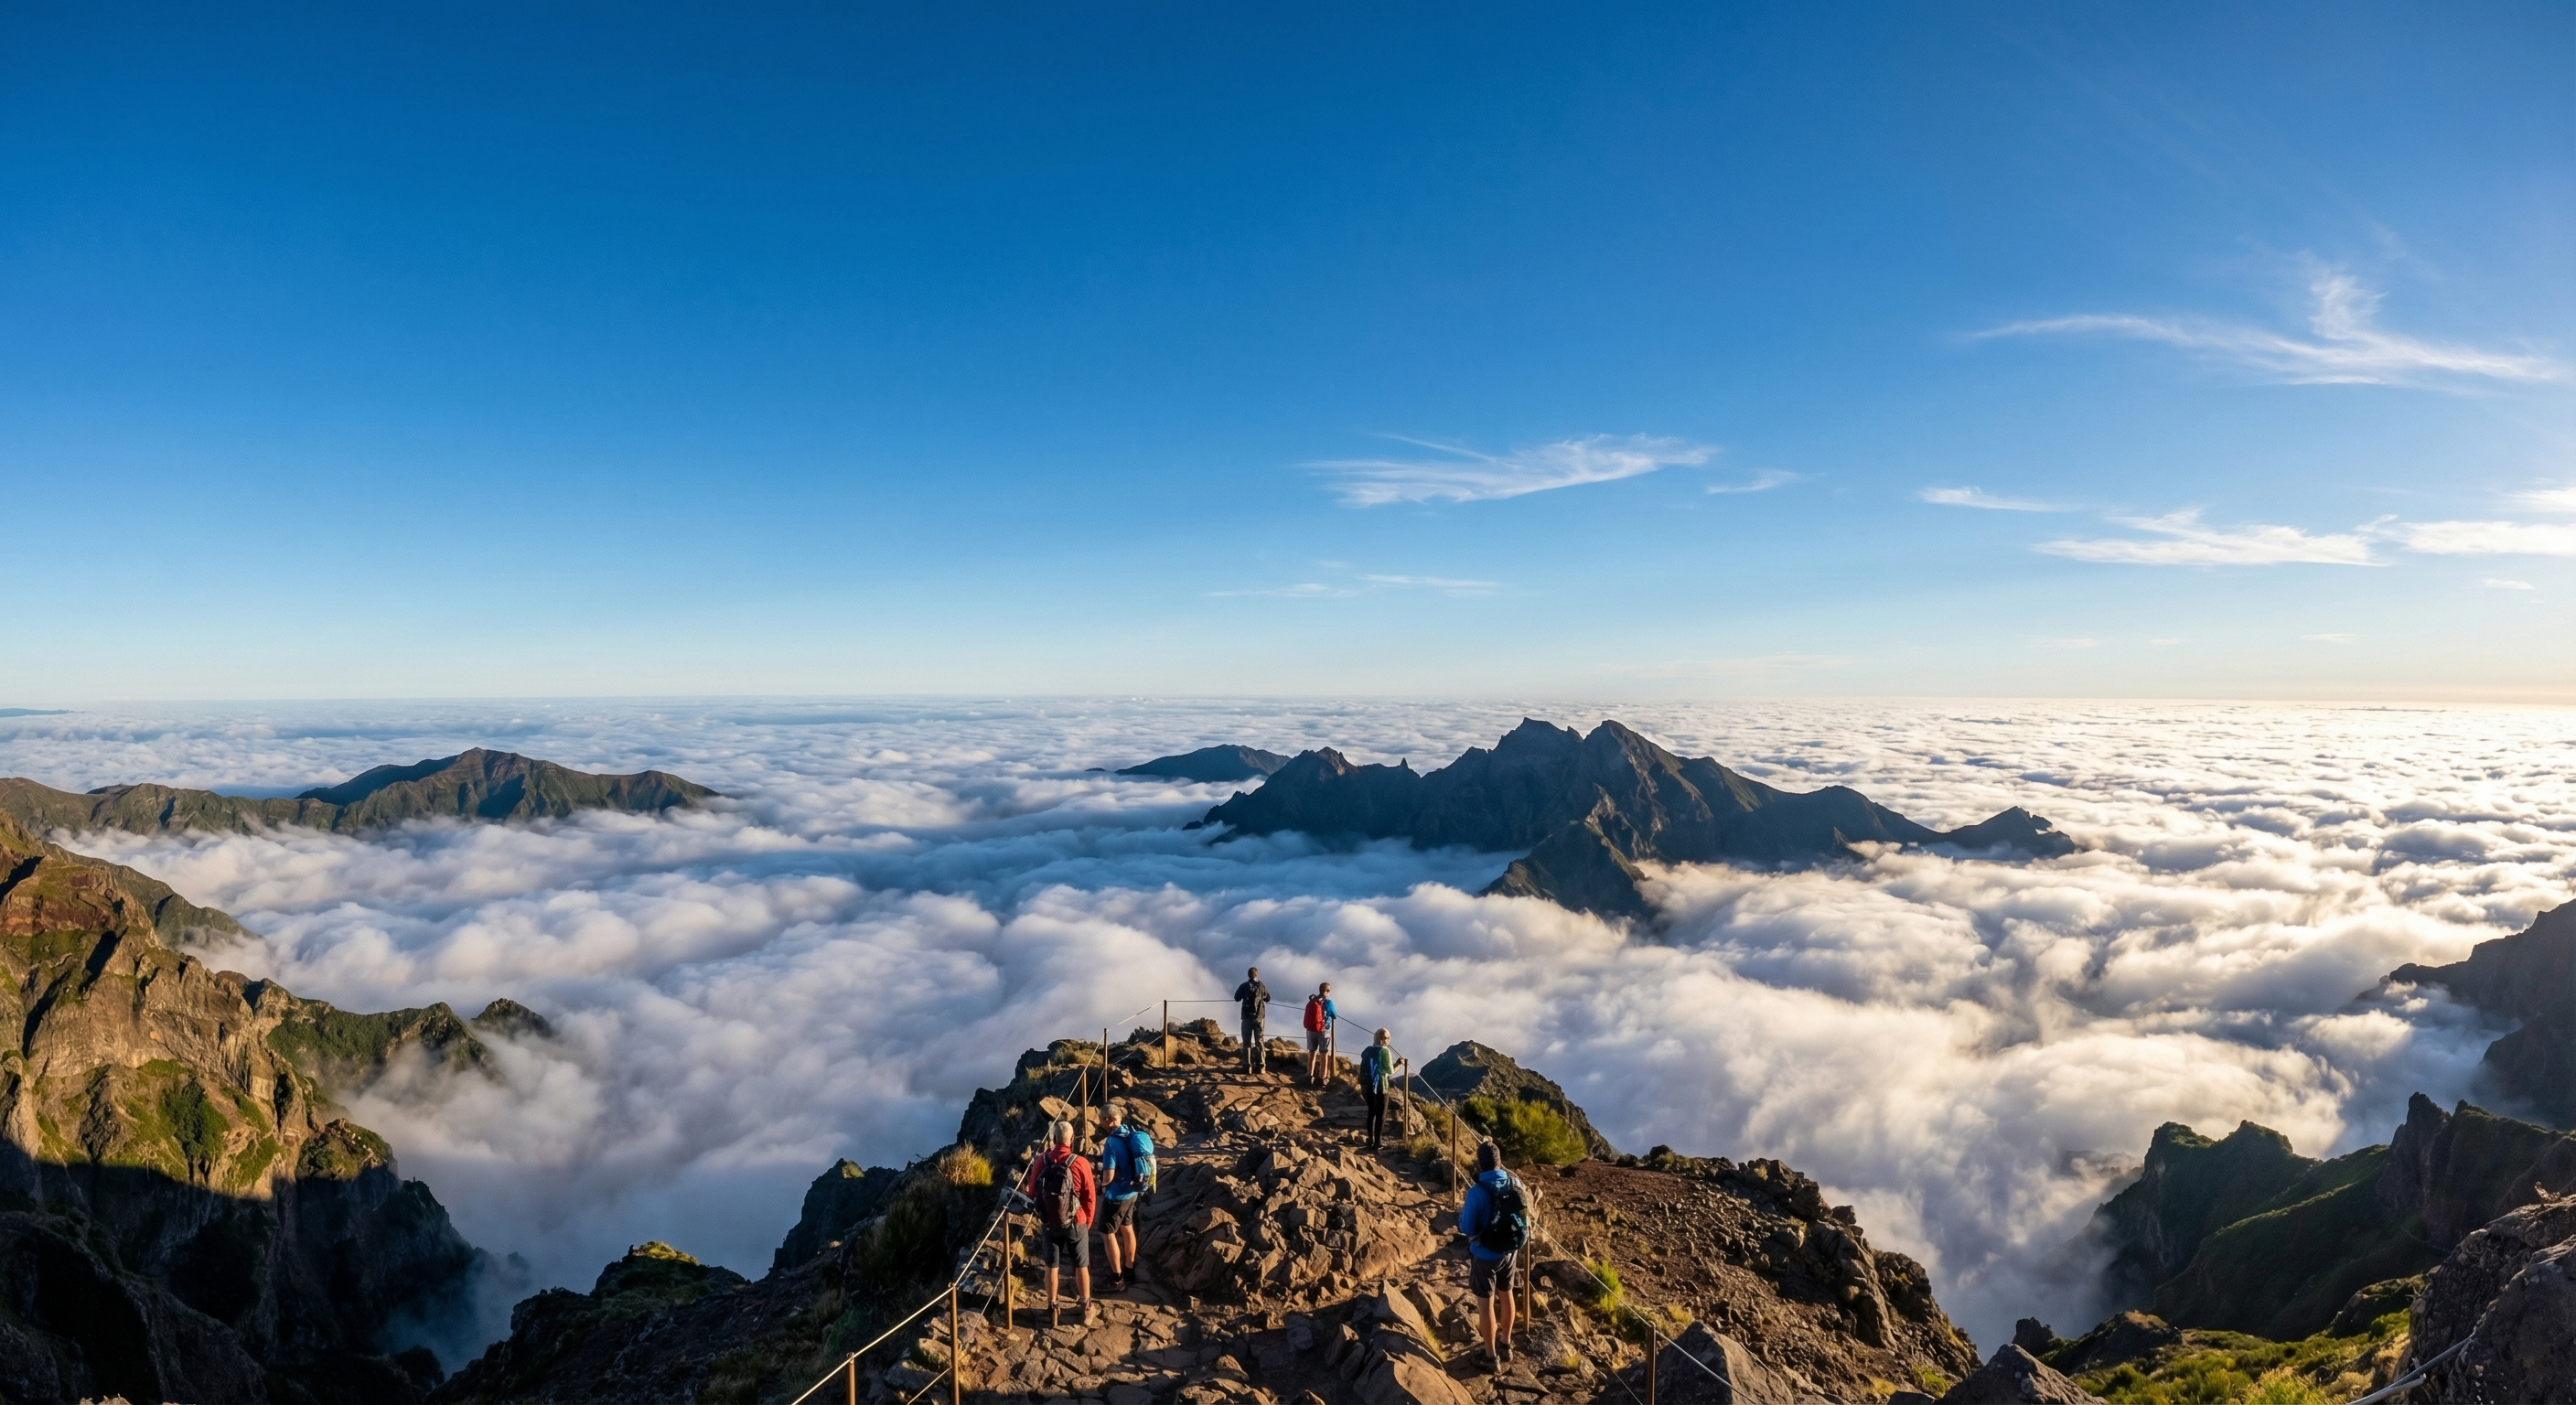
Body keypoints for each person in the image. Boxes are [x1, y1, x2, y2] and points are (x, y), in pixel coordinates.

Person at [1018, 1120, 1098, 1325]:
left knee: (1051, 1266)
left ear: (1053, 1139)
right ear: (1072, 1139)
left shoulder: (1041, 1161)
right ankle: (1086, 1306)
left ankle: (1053, 1307)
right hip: (1076, 1221)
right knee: (1081, 1265)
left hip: (1049, 1222)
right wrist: (1087, 1221)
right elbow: (1090, 1196)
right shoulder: (1080, 1163)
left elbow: (1032, 1193)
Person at [1458, 1140, 1529, 1367]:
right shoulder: (1514, 1181)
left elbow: (1468, 1228)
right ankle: (1506, 1344)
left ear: (1480, 1164)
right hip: (1510, 1251)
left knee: (1485, 1304)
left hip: (1485, 1254)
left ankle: (1490, 1357)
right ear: (1499, 1161)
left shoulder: (1476, 1192)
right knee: (1506, 1294)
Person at [1096, 1102, 1154, 1292]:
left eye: (1104, 1119)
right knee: (1127, 1228)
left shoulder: (1112, 1143)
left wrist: (1102, 1187)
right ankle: (1129, 1268)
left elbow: (1109, 1175)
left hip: (1117, 1195)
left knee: (1107, 1234)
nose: (1104, 1123)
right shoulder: (1131, 1133)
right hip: (1133, 1191)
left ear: (1110, 1120)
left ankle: (1116, 1279)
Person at [1358, 1028, 1397, 1149]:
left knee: (1371, 1112)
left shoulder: (1367, 1050)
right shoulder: (1385, 1052)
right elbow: (1389, 1071)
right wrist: (1399, 1064)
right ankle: (1378, 1142)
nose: (1387, 1040)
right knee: (1381, 1115)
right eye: (1386, 1038)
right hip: (1380, 1085)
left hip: (1366, 1085)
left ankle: (1370, 1139)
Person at [1232, 966, 1272, 1076]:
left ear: (1248, 975)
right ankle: (1261, 1067)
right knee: (1259, 1042)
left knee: (1247, 1043)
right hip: (1259, 1018)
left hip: (1246, 1018)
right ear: (1256, 975)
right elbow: (1268, 998)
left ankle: (1247, 1066)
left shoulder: (1244, 986)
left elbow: (1236, 998)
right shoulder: (1261, 985)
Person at [1303, 982, 1338, 1086]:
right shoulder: (1328, 1003)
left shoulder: (1313, 1000)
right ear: (1326, 991)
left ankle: (1309, 1075)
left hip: (1311, 1030)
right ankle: (1322, 1077)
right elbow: (1335, 1015)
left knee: (1312, 1052)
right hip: (1324, 1030)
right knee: (1324, 1053)